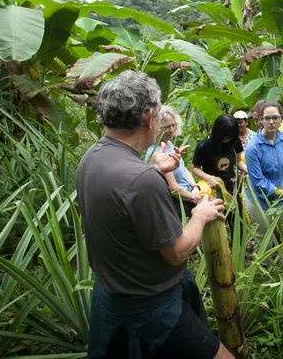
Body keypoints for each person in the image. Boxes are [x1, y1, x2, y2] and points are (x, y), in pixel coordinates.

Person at [76, 70, 233, 358]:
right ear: (149, 118)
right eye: (159, 112)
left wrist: (153, 169)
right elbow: (176, 252)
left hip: (114, 296)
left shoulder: (92, 157)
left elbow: (123, 198)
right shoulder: (140, 180)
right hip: (151, 309)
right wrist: (201, 214)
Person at [244, 102, 283, 240]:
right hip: (260, 199)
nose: (271, 122)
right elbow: (258, 180)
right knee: (265, 238)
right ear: (261, 120)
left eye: (275, 118)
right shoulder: (253, 147)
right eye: (267, 118)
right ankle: (266, 262)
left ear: (281, 119)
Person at [192, 115, 248, 234]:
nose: (227, 140)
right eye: (225, 137)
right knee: (217, 224)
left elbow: (238, 161)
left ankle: (238, 248)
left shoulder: (235, 141)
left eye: (230, 137)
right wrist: (208, 178)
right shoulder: (204, 146)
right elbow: (195, 168)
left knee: (238, 223)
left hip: (232, 186)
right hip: (214, 189)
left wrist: (249, 170)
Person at [146, 105, 201, 218]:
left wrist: (195, 186)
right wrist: (194, 197)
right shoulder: (157, 153)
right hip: (177, 204)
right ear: (156, 127)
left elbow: (183, 168)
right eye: (166, 127)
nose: (171, 130)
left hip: (188, 195)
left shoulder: (169, 144)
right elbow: (174, 190)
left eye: (173, 125)